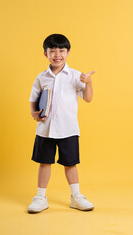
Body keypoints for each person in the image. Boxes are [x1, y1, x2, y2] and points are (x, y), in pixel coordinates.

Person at [28, 34, 96, 213]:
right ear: (45, 54)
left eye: (61, 50)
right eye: (52, 51)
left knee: (70, 164)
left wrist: (88, 82)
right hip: (45, 130)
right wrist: (35, 115)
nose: (57, 54)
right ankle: (40, 197)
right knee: (44, 163)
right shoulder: (41, 77)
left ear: (68, 52)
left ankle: (76, 196)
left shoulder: (75, 76)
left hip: (68, 129)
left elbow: (88, 98)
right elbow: (33, 100)